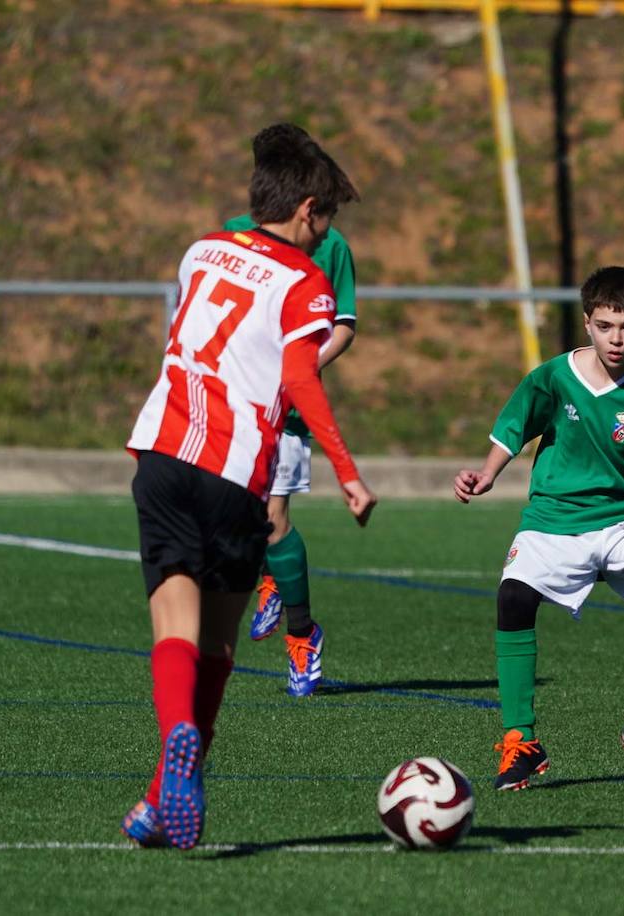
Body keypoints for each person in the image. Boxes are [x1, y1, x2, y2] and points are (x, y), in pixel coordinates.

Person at [121, 124, 377, 850]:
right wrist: (348, 472)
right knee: (221, 646)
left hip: (163, 453)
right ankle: (177, 767)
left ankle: (158, 792)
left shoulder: (200, 250)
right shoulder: (306, 281)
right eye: (325, 217)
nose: (326, 232)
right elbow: (300, 377)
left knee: (174, 625)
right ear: (304, 210)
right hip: (237, 471)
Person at [453, 266, 624, 791]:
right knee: (512, 598)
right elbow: (513, 428)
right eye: (604, 326)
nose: (616, 339)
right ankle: (521, 742)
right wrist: (486, 473)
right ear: (586, 322)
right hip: (555, 518)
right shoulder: (554, 378)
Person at [224, 125, 361, 698]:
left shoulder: (330, 247)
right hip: (230, 407)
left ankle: (302, 633)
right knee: (233, 520)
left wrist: (300, 366)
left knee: (272, 517)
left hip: (285, 409)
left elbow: (343, 327)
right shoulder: (230, 239)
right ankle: (267, 576)